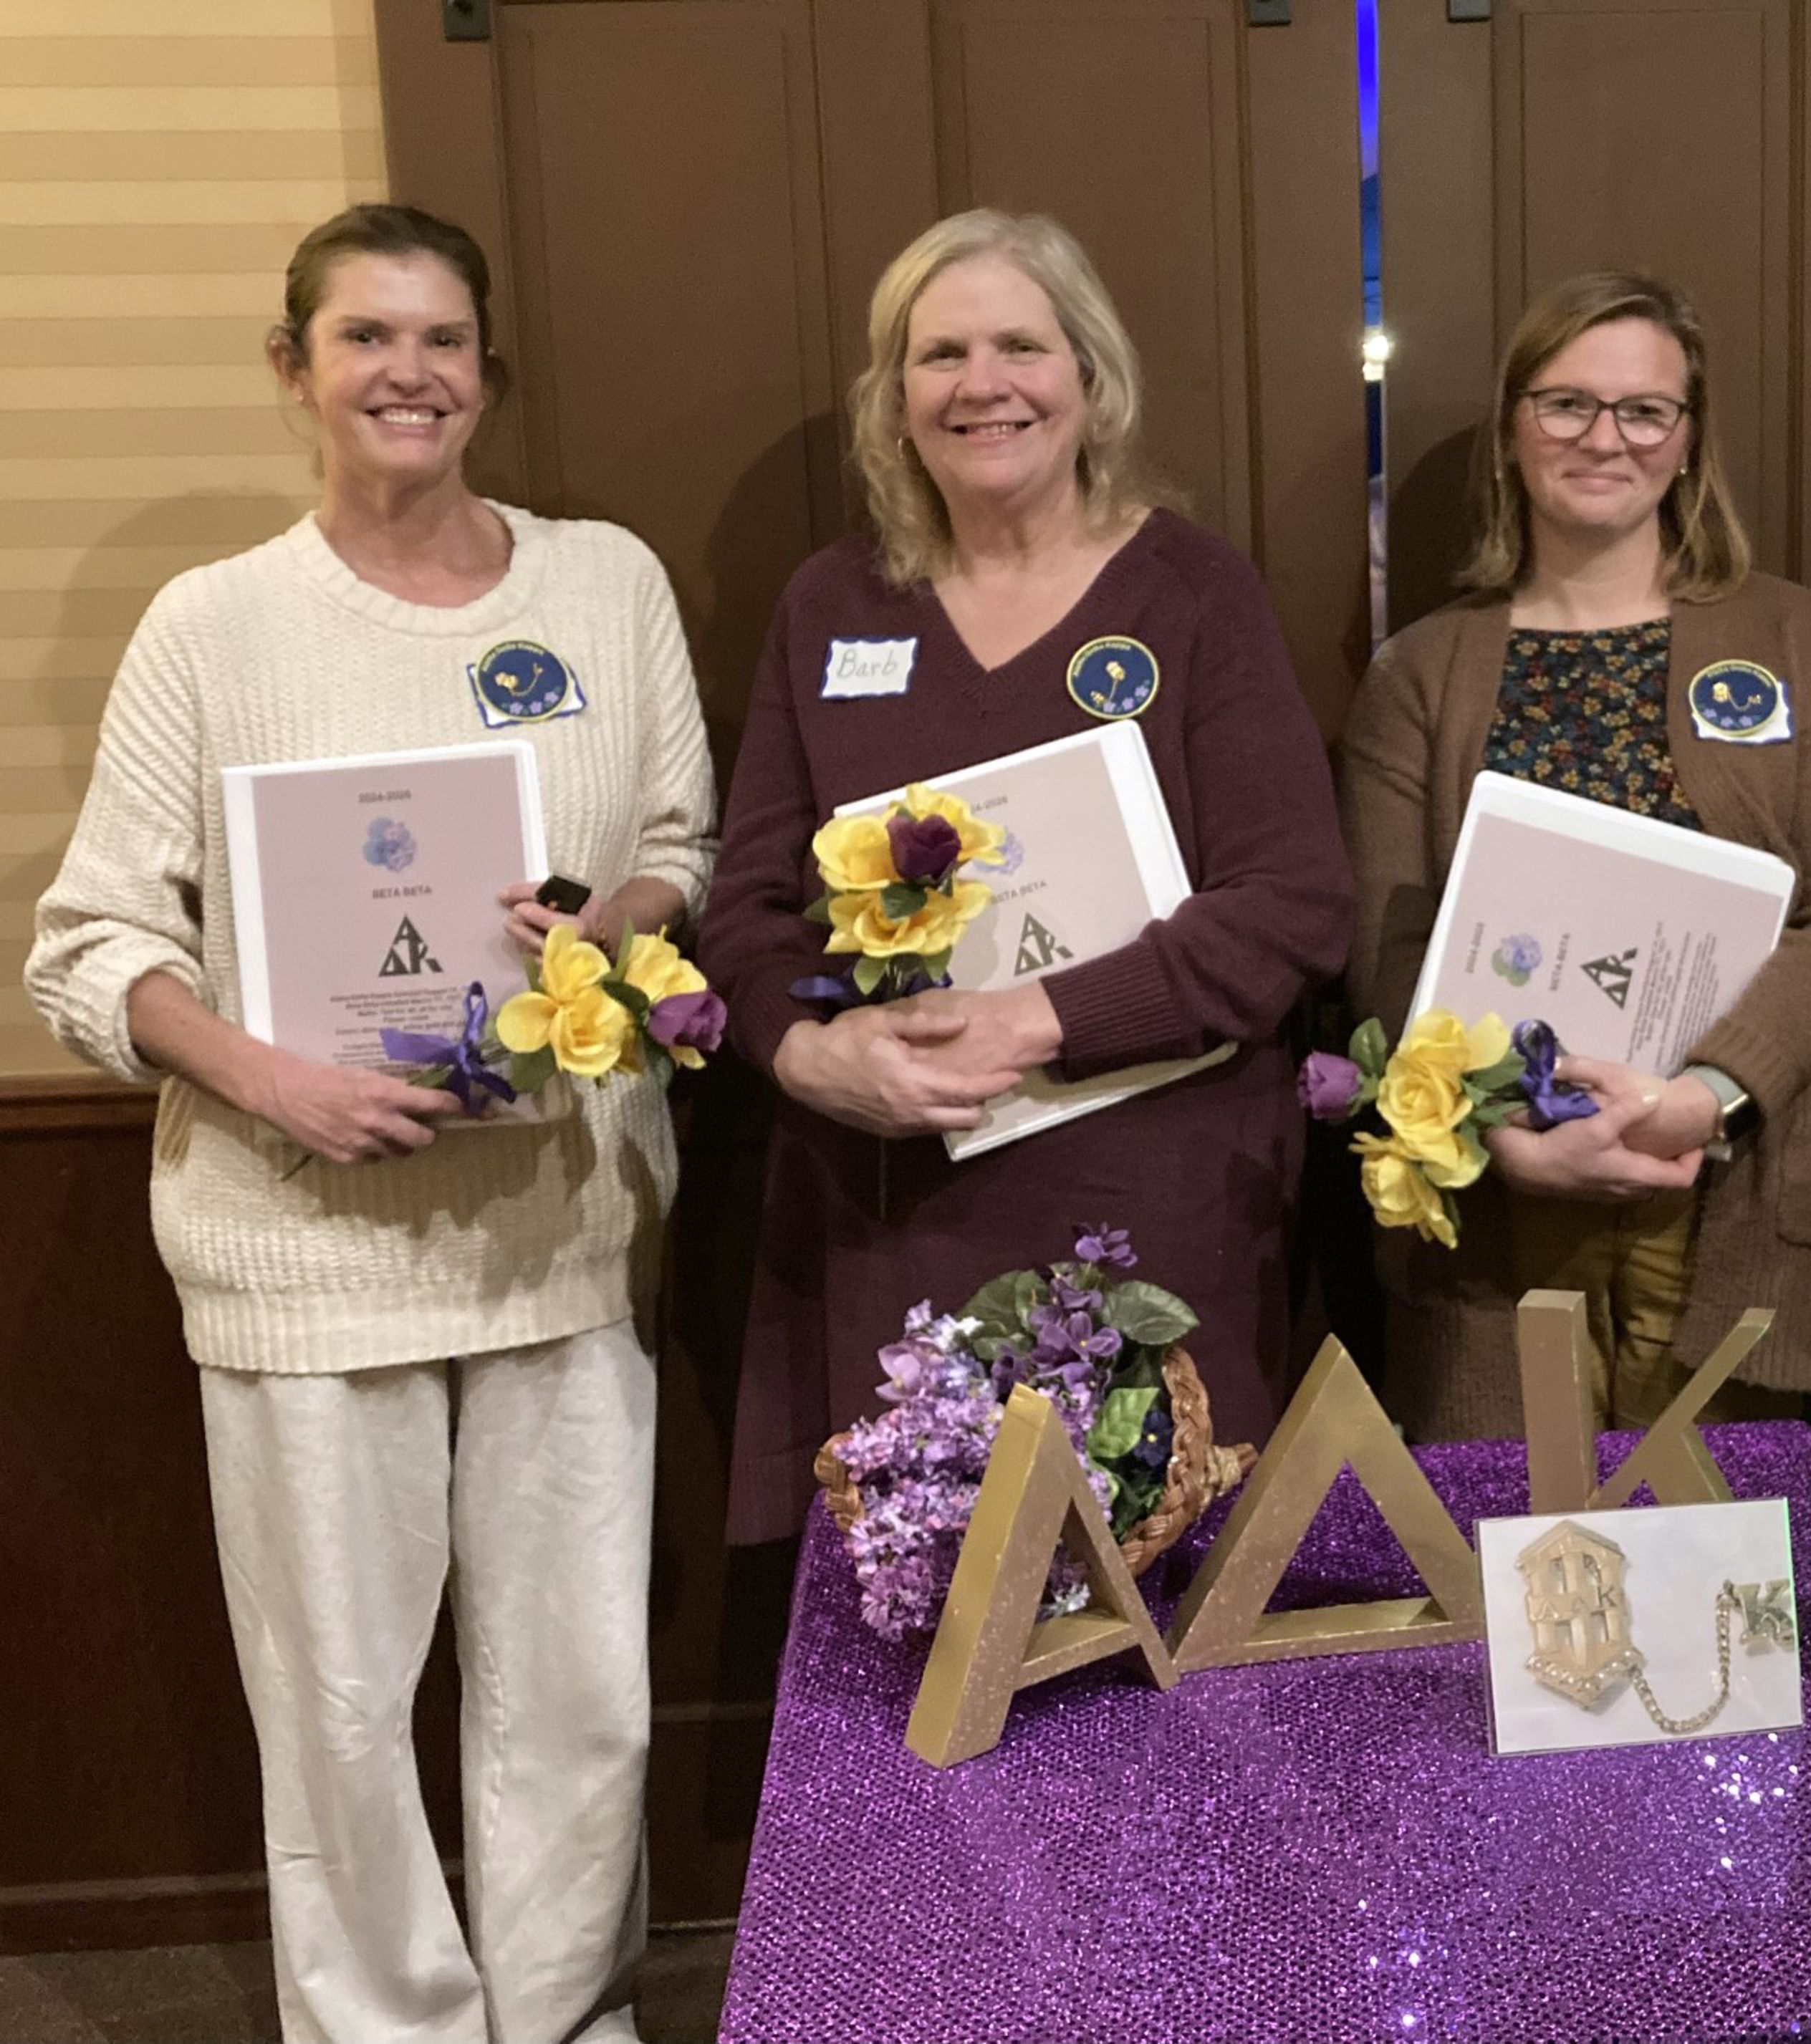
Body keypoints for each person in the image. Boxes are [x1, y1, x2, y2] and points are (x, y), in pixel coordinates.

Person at [24, 203, 717, 2043]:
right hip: (301, 1241)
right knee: (335, 1697)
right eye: (363, 338)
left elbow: (680, 851)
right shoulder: (217, 624)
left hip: (560, 1224)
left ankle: (565, 2015)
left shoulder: (604, 584)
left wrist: (608, 929)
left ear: (487, 370)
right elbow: (91, 949)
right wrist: (275, 1078)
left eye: (442, 340)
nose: (408, 373)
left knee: (581, 1685)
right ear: (296, 369)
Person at [699, 208, 1350, 1539]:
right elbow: (749, 909)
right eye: (940, 355)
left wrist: (1031, 1019)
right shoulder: (831, 609)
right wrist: (809, 1056)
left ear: (1090, 378)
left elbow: (1295, 906)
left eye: (1020, 346)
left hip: (1155, 1213)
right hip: (896, 1215)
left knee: (1156, 1640)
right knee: (926, 1642)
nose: (982, 383)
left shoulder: (1195, 595)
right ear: (892, 402)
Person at [1339, 271, 1811, 1442]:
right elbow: (1388, 944)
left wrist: (1701, 1095)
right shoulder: (1422, 674)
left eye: (1646, 410)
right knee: (1519, 1572)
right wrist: (1496, 1131)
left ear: (1689, 439)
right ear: (1513, 427)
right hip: (1498, 1205)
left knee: (1725, 1581)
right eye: (1566, 404)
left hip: (1737, 1183)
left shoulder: (1791, 635)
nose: (1606, 438)